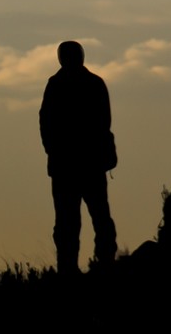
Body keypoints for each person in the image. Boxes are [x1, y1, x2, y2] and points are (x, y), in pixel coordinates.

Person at [39, 41, 117, 272]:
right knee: (75, 221)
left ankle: (90, 266)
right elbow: (47, 123)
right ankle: (81, 267)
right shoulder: (90, 83)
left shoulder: (62, 85)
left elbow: (46, 123)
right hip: (81, 164)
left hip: (75, 165)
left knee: (84, 219)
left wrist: (54, 150)